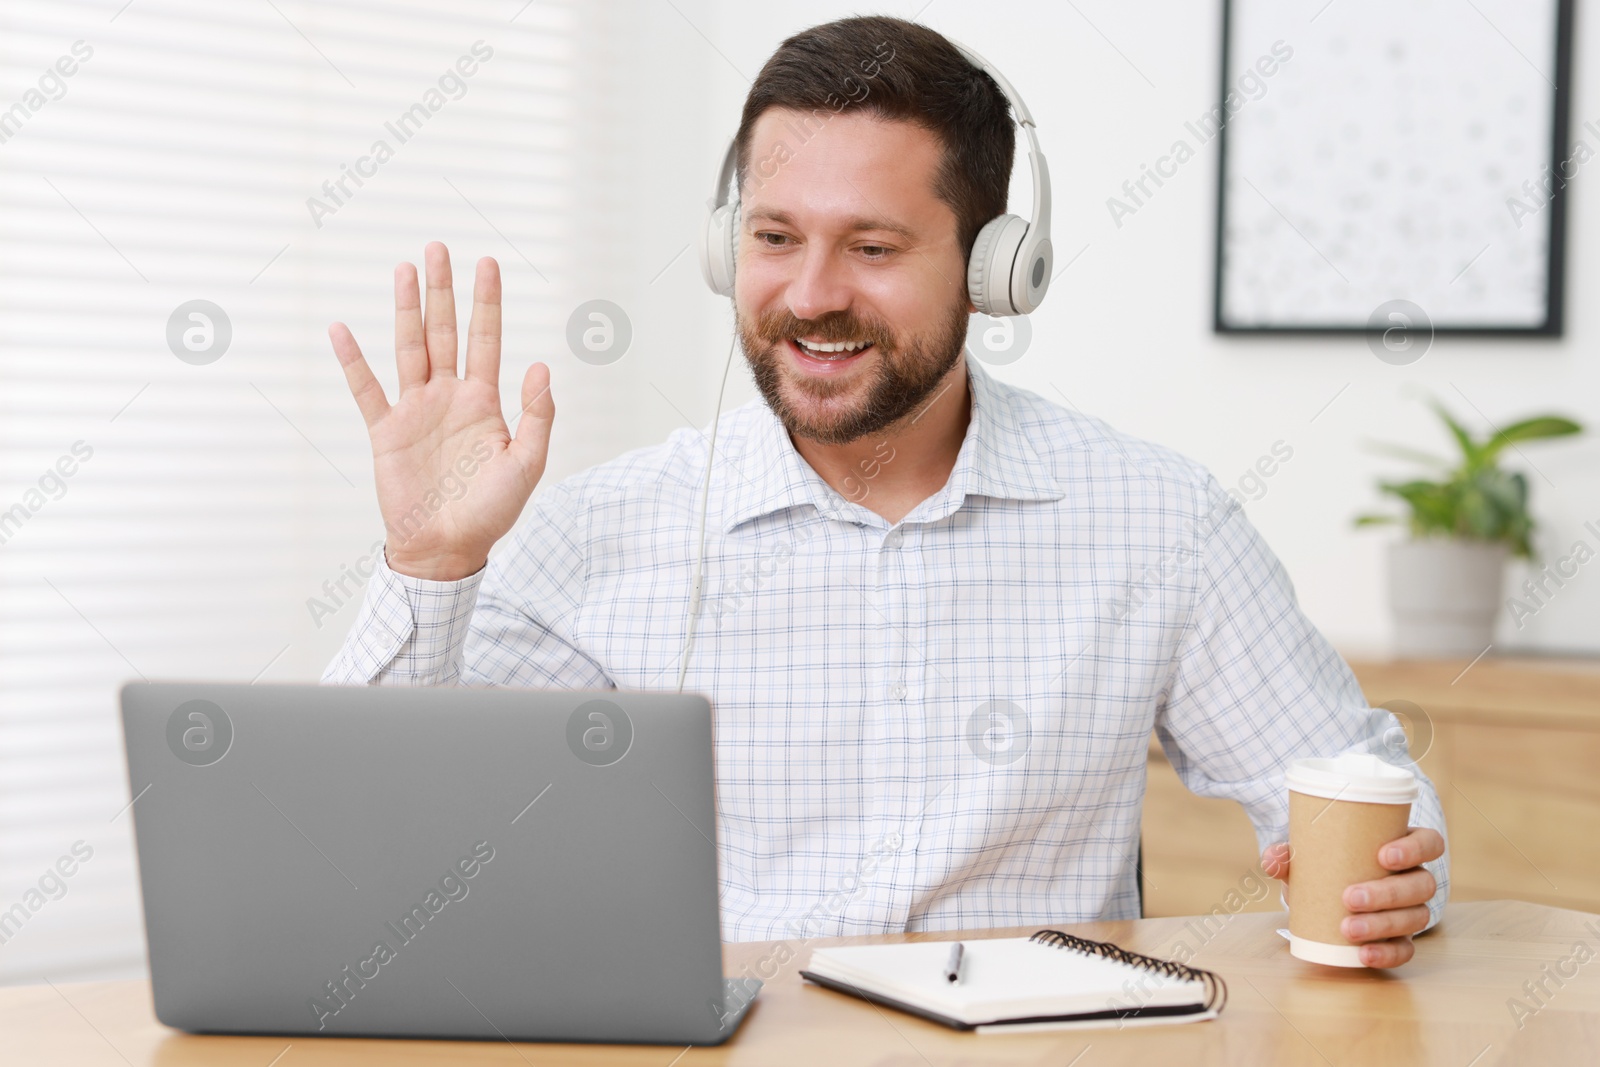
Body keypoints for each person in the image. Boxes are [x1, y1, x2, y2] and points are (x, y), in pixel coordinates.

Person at [323, 15, 1446, 966]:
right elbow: (356, 845)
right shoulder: (599, 531)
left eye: (872, 247)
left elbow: (1368, 788)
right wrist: (429, 561)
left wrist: (1389, 885)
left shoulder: (1157, 521)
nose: (812, 295)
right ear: (726, 248)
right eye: (774, 236)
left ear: (997, 266)